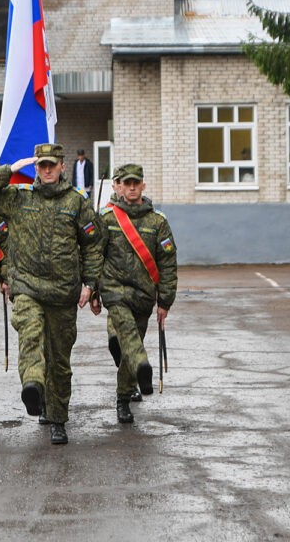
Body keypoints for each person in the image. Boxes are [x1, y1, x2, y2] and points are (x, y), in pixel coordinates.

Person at [0, 143, 104, 446]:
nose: (46, 170)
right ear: (36, 167)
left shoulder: (76, 202)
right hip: (27, 287)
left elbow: (93, 245)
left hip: (63, 293)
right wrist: (10, 169)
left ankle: (57, 418)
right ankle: (33, 386)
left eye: (51, 165)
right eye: (42, 165)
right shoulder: (19, 197)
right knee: (30, 335)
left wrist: (90, 284)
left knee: (59, 361)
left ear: (61, 166)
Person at [97, 164, 176, 424]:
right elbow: (94, 257)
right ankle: (138, 374)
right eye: (127, 183)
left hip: (143, 296)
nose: (131, 188)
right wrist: (93, 289)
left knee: (131, 347)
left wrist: (165, 301)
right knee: (130, 340)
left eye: (136, 183)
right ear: (120, 186)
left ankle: (125, 393)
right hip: (115, 293)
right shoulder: (108, 219)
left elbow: (167, 263)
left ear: (143, 185)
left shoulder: (157, 222)